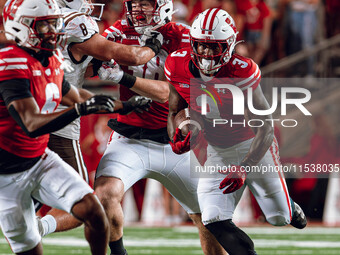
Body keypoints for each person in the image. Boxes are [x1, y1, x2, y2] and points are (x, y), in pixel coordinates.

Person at [0, 0, 151, 254]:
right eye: (45, 25)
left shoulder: (48, 59)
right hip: (8, 172)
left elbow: (77, 96)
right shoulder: (10, 63)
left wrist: (124, 106)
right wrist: (79, 111)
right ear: (21, 28)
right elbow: (31, 124)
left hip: (39, 159)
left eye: (53, 23)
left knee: (93, 210)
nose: (53, 31)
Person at [166, 8, 307, 255]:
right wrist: (177, 134)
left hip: (251, 145)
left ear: (230, 45)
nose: (207, 54)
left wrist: (244, 166)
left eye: (214, 47)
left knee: (278, 217)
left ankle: (290, 207)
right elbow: (174, 111)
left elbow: (265, 126)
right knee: (212, 217)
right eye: (201, 46)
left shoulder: (242, 70)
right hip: (214, 151)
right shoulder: (177, 64)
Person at [93, 0, 225, 254]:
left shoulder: (183, 36)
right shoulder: (118, 32)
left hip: (174, 143)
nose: (137, 10)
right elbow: (88, 63)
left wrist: (122, 76)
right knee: (105, 195)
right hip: (129, 139)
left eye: (145, 4)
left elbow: (168, 93)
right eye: (134, 3)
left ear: (163, 6)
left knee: (211, 217)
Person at [36, 0, 160, 236]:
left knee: (29, 184)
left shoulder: (44, 18)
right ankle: (36, 228)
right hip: (59, 118)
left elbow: (73, 69)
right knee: (85, 204)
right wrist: (153, 47)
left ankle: (22, 224)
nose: (91, 3)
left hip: (29, 112)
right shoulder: (77, 22)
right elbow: (132, 56)